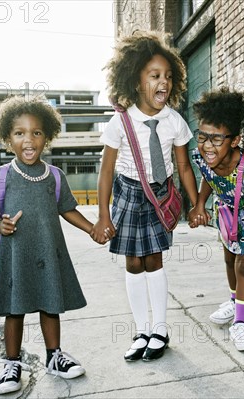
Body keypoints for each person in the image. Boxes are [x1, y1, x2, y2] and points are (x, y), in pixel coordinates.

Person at [0, 95, 107, 395]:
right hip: (16, 256)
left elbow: (68, 209)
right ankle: (11, 364)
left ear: (46, 137)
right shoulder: (1, 176)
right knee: (14, 310)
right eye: (19, 133)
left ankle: (55, 356)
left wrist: (91, 229)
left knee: (51, 306)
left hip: (48, 254)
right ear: (7, 138)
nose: (28, 140)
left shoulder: (54, 176)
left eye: (36, 132)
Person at [92, 31, 199, 362]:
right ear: (136, 81)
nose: (163, 82)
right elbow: (106, 171)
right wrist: (103, 215)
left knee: (154, 260)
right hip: (127, 193)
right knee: (133, 262)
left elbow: (183, 167)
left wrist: (196, 204)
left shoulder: (175, 122)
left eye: (168, 76)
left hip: (159, 195)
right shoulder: (120, 123)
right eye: (154, 76)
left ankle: (161, 329)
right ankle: (141, 330)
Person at [188, 87, 244, 351]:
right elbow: (208, 178)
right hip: (226, 213)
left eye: (216, 139)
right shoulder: (204, 158)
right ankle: (235, 300)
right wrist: (200, 203)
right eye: (202, 137)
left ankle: (240, 324)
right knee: (229, 258)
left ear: (235, 140)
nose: (207, 145)